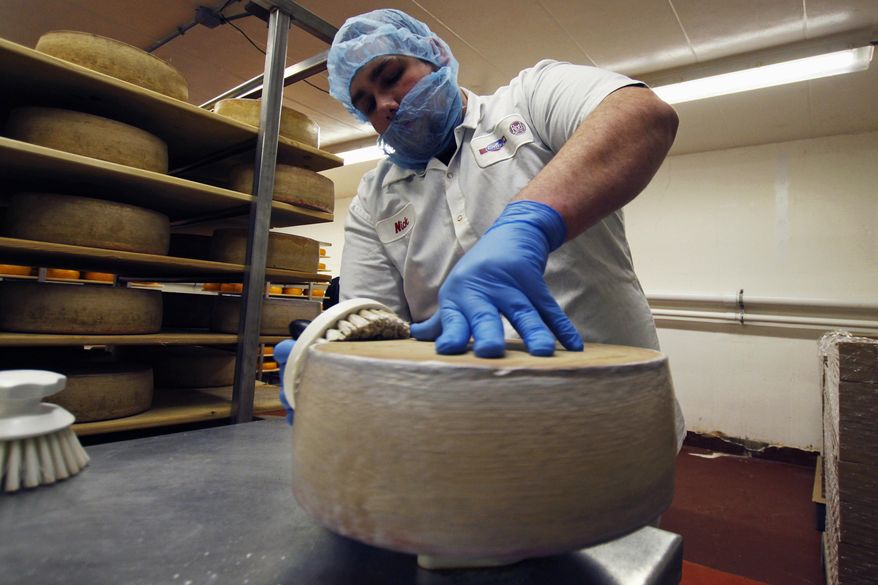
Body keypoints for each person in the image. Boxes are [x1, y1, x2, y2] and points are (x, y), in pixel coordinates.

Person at [328, 9, 677, 361]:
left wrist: (530, 224)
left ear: (435, 53)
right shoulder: (373, 199)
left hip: (614, 397)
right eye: (367, 104)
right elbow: (372, 331)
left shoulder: (528, 99)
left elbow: (642, 115)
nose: (385, 104)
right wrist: (328, 372)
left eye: (391, 76)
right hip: (465, 410)